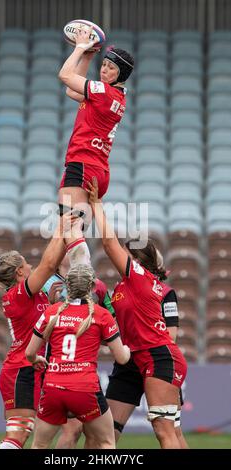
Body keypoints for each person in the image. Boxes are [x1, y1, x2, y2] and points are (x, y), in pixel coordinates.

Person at [87, 178, 188, 449]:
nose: (120, 255)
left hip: (157, 355)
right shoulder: (123, 288)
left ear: (137, 260)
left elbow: (109, 244)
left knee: (165, 432)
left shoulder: (138, 277)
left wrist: (96, 205)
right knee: (105, 434)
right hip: (131, 360)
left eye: (126, 253)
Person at [0, 213, 75, 449]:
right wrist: (60, 229)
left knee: (50, 431)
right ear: (19, 273)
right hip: (21, 370)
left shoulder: (31, 295)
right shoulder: (20, 294)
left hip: (31, 368)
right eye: (26, 264)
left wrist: (66, 236)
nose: (31, 266)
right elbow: (49, 265)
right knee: (18, 436)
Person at [26, 264, 131, 449]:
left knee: (39, 445)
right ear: (92, 287)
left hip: (53, 387)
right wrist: (128, 349)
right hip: (85, 388)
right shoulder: (101, 315)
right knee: (106, 442)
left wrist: (37, 360)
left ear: (67, 286)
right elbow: (122, 358)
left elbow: (29, 353)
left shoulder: (51, 312)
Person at [58, 26, 134, 221]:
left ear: (121, 75)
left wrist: (80, 47)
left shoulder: (103, 92)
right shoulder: (116, 96)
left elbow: (65, 76)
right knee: (68, 232)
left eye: (111, 68)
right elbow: (71, 91)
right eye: (104, 64)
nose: (104, 70)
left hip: (83, 163)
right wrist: (88, 58)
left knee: (69, 228)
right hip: (98, 169)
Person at [106, 277, 189, 449]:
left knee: (171, 431)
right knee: (107, 432)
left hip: (158, 361)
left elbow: (171, 335)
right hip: (128, 364)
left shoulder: (165, 292)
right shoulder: (119, 292)